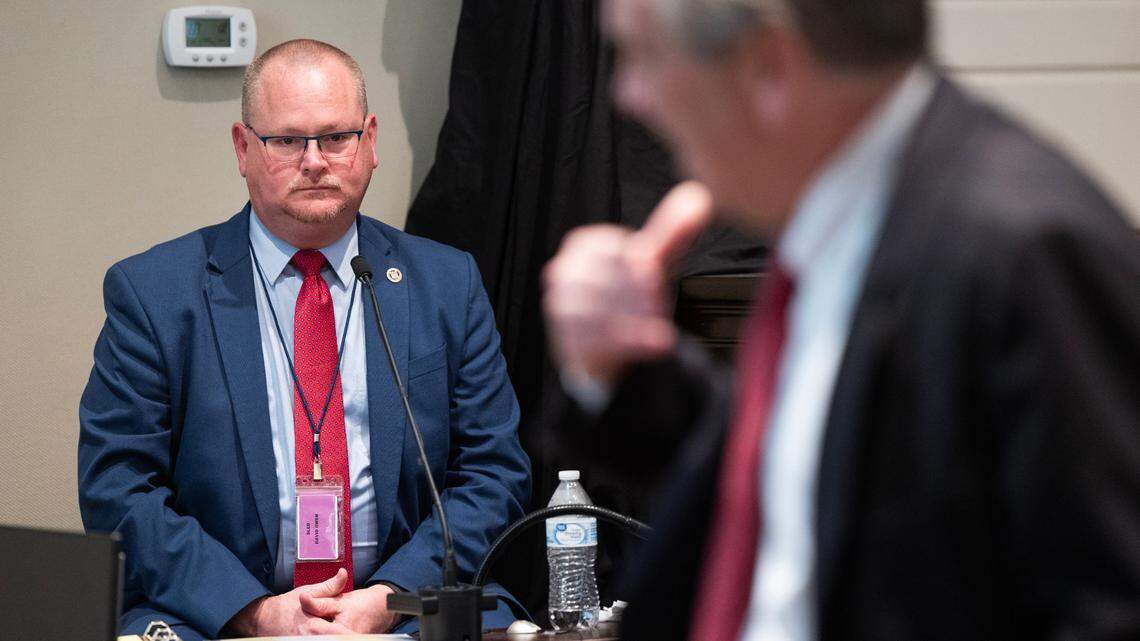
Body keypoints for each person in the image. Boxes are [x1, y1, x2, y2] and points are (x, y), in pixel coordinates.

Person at [541, 1, 1140, 640]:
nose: (628, 96)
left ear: (769, 64)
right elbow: (820, 489)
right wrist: (622, 369)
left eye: (644, 56)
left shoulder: (1025, 251)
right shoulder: (842, 220)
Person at [78, 39, 530, 640]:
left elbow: (494, 474)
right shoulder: (154, 294)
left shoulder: (447, 283)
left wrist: (390, 598)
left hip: (409, 607)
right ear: (243, 148)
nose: (314, 160)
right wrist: (256, 614)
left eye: (336, 137)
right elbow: (120, 488)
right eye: (287, 140)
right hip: (220, 616)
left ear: (370, 142)